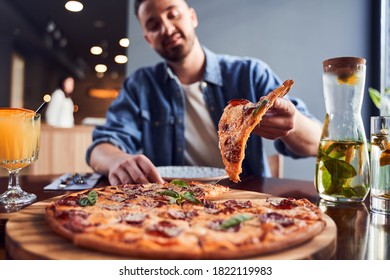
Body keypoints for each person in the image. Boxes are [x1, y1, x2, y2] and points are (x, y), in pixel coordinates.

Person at [86, 0, 322, 185]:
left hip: (246, 202)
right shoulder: (140, 85)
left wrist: (293, 124)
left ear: (192, 17)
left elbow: (316, 143)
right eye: (154, 25)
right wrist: (117, 160)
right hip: (168, 207)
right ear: (149, 39)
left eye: (173, 14)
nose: (166, 28)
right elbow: (101, 147)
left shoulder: (250, 73)